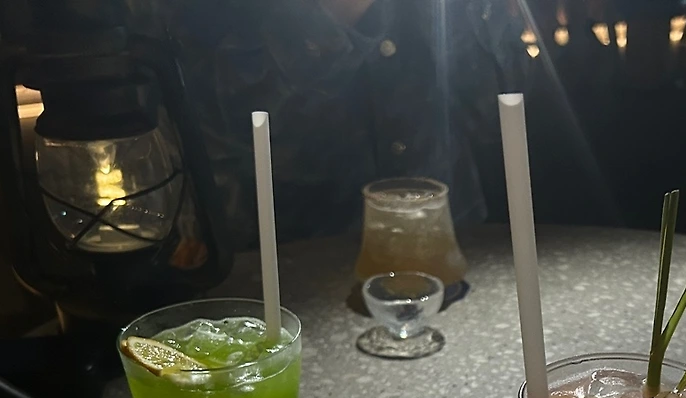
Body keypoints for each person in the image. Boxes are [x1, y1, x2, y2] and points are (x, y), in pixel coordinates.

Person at [146, 0, 528, 247]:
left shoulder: (442, 12)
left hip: (458, 256)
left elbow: (495, 119)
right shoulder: (209, 29)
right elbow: (227, 205)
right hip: (303, 290)